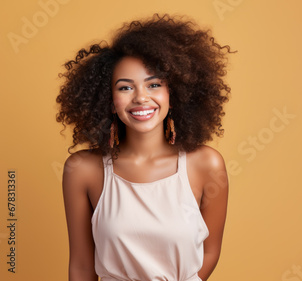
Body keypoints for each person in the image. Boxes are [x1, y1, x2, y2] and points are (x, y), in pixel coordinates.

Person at [55, 13, 235, 281]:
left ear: (173, 95)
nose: (141, 97)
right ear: (109, 100)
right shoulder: (83, 170)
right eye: (125, 88)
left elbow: (210, 252)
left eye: (153, 84)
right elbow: (81, 266)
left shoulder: (206, 165)